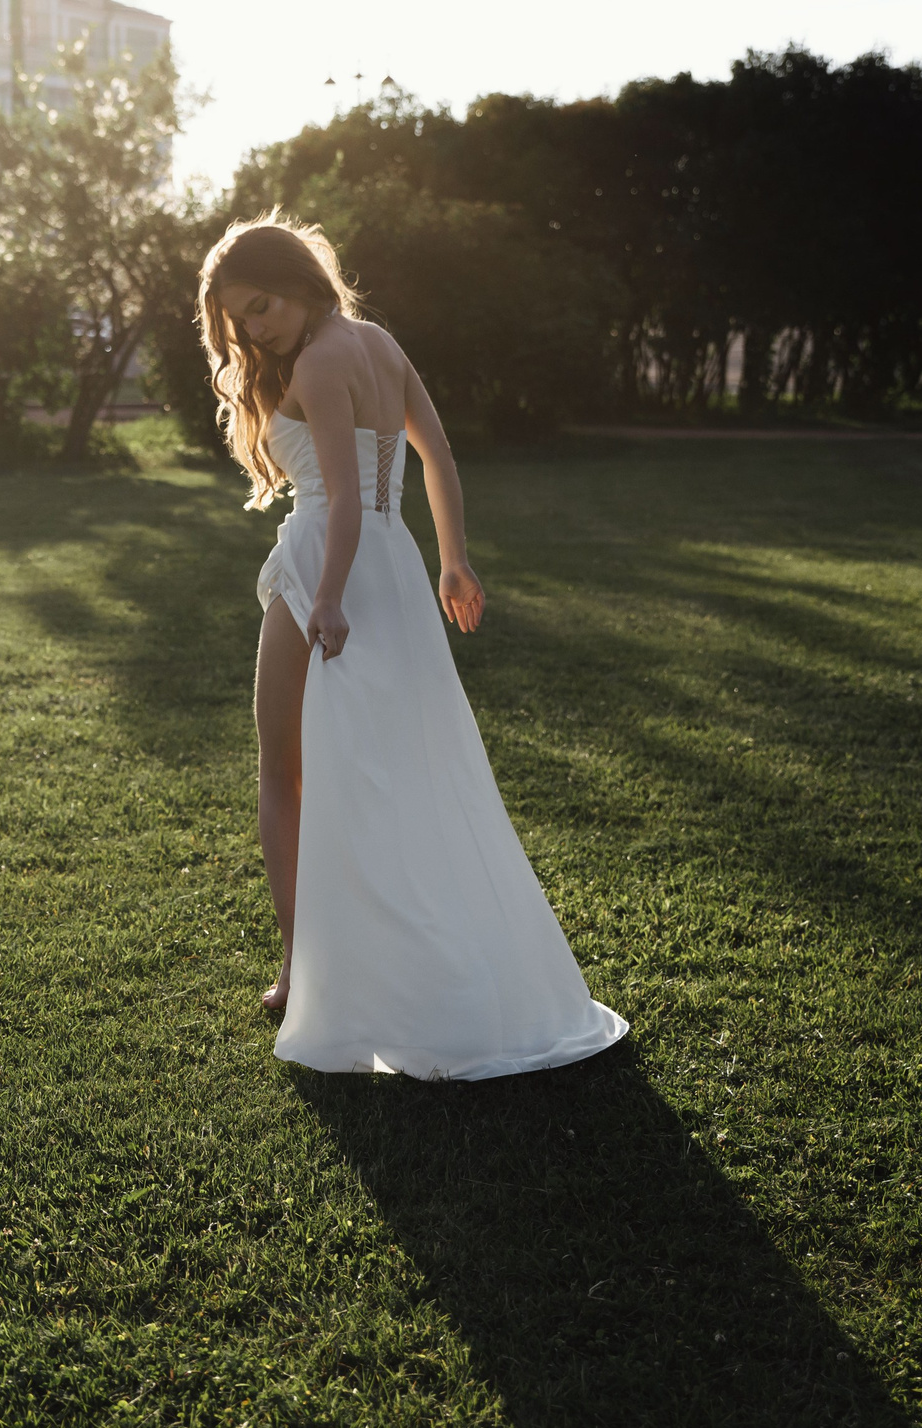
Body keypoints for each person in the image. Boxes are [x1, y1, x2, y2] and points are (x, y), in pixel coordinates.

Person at [201, 215, 627, 1080]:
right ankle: (354, 958)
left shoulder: (318, 362)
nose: (253, 330)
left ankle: (301, 971)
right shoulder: (379, 344)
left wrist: (322, 598)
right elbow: (437, 455)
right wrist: (454, 560)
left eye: (262, 305)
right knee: (399, 772)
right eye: (239, 320)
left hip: (329, 565)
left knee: (281, 767)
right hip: (394, 571)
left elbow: (343, 503)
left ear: (303, 282)